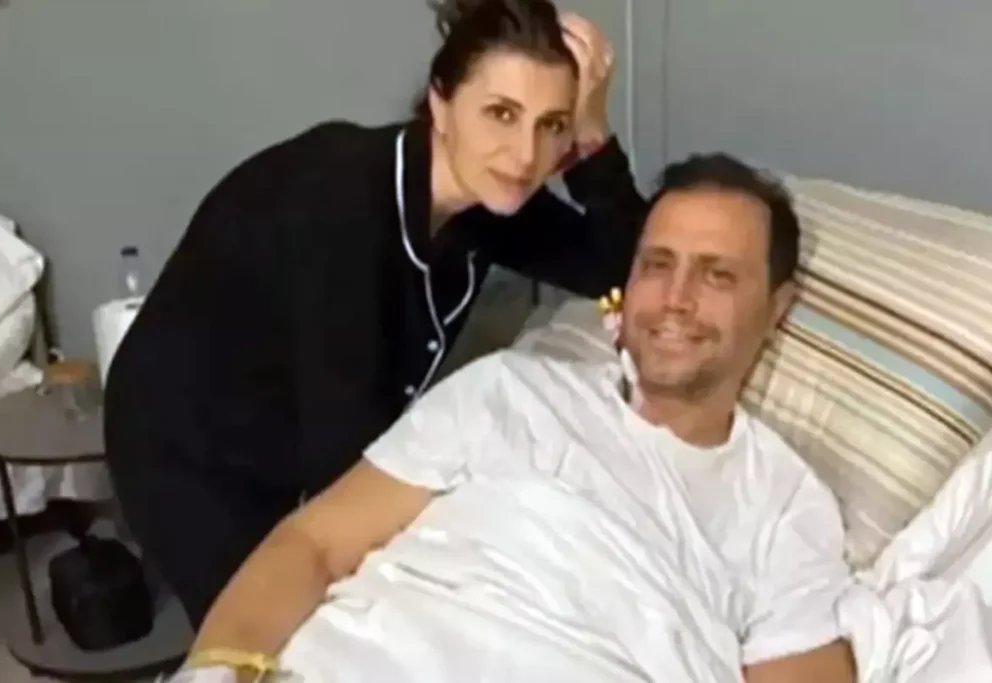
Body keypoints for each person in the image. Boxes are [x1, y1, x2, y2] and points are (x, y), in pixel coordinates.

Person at [170, 154, 858, 683]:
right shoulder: (511, 388)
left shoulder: (783, 504)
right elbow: (314, 543)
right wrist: (217, 672)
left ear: (776, 307)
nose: (675, 298)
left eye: (717, 275)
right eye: (658, 264)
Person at [103, 0, 647, 627]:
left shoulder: (489, 195)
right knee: (271, 637)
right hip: (187, 445)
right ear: (441, 102)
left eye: (551, 124)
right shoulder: (338, 204)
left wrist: (590, 138)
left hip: (293, 428)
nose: (526, 155)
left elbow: (632, 272)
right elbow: (342, 461)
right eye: (500, 113)